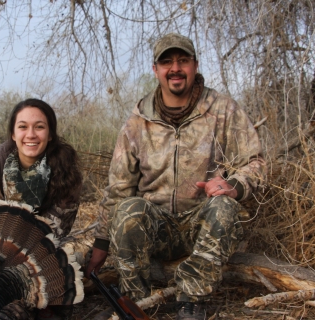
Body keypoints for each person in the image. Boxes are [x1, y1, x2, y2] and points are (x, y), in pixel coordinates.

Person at [85, 33, 266, 320]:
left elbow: (254, 161)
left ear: (195, 65)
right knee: (128, 209)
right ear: (155, 70)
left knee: (225, 206)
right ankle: (139, 302)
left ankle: (190, 299)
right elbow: (118, 188)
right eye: (167, 62)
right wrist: (101, 244)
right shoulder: (137, 122)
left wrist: (232, 185)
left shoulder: (224, 110)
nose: (175, 68)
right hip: (156, 228)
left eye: (183, 60)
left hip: (201, 227)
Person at [0, 98, 82, 320]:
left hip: (38, 256)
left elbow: (54, 233)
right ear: (13, 133)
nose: (30, 134)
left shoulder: (66, 173)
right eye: (23, 127)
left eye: (39, 127)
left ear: (50, 134)